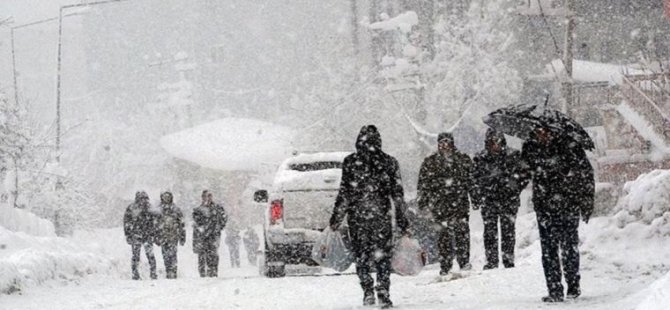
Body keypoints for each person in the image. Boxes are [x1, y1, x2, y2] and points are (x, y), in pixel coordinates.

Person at [330, 125, 410, 309]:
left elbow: (345, 193)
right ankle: (383, 290)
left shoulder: (350, 162)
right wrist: (402, 221)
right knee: (383, 257)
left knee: (362, 256)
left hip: (358, 218)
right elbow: (397, 195)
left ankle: (367, 291)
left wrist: (336, 218)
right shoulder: (389, 162)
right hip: (381, 217)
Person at [521, 127, 594, 302]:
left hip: (568, 205)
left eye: (545, 131)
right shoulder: (531, 148)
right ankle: (554, 289)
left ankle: (573, 285)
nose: (542, 135)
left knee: (569, 247)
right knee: (548, 250)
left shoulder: (570, 146)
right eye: (538, 132)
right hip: (544, 206)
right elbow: (522, 174)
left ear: (553, 132)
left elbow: (585, 174)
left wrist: (586, 202)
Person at [417, 132, 475, 276]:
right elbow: (423, 185)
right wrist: (423, 202)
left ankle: (464, 261)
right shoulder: (430, 162)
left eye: (447, 142)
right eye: (442, 142)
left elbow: (472, 182)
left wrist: (475, 198)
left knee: (462, 234)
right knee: (443, 237)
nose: (444, 145)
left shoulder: (463, 160)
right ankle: (445, 264)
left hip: (459, 203)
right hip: (440, 205)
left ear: (452, 143)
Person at [472, 128, 529, 269]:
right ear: (488, 142)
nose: (495, 144)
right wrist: (479, 195)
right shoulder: (480, 158)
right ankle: (492, 261)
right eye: (492, 141)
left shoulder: (513, 155)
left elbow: (525, 175)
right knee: (490, 232)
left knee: (508, 231)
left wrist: (515, 189)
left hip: (508, 200)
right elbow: (474, 179)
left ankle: (508, 260)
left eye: (497, 141)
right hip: (489, 200)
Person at [123, 191, 158, 280]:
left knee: (149, 255)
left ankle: (153, 273)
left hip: (146, 235)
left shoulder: (150, 208)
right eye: (141, 198)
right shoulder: (132, 208)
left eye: (145, 198)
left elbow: (155, 222)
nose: (143, 201)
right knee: (136, 256)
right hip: (136, 235)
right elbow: (127, 222)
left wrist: (154, 233)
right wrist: (128, 234)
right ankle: (135, 274)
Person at [193, 190, 228, 277]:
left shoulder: (217, 208)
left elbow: (224, 218)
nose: (207, 198)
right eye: (205, 196)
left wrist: (219, 227)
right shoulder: (198, 210)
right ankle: (202, 272)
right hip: (202, 235)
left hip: (214, 235)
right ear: (202, 198)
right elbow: (196, 223)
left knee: (213, 253)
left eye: (209, 196)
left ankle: (213, 271)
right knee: (202, 254)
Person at [156, 191, 186, 279]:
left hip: (173, 236)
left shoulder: (176, 209)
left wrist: (182, 236)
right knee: (165, 255)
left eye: (168, 197)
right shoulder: (159, 210)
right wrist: (156, 236)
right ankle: (168, 271)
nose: (166, 198)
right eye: (164, 197)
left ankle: (173, 271)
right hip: (163, 236)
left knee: (173, 254)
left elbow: (181, 224)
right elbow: (155, 225)